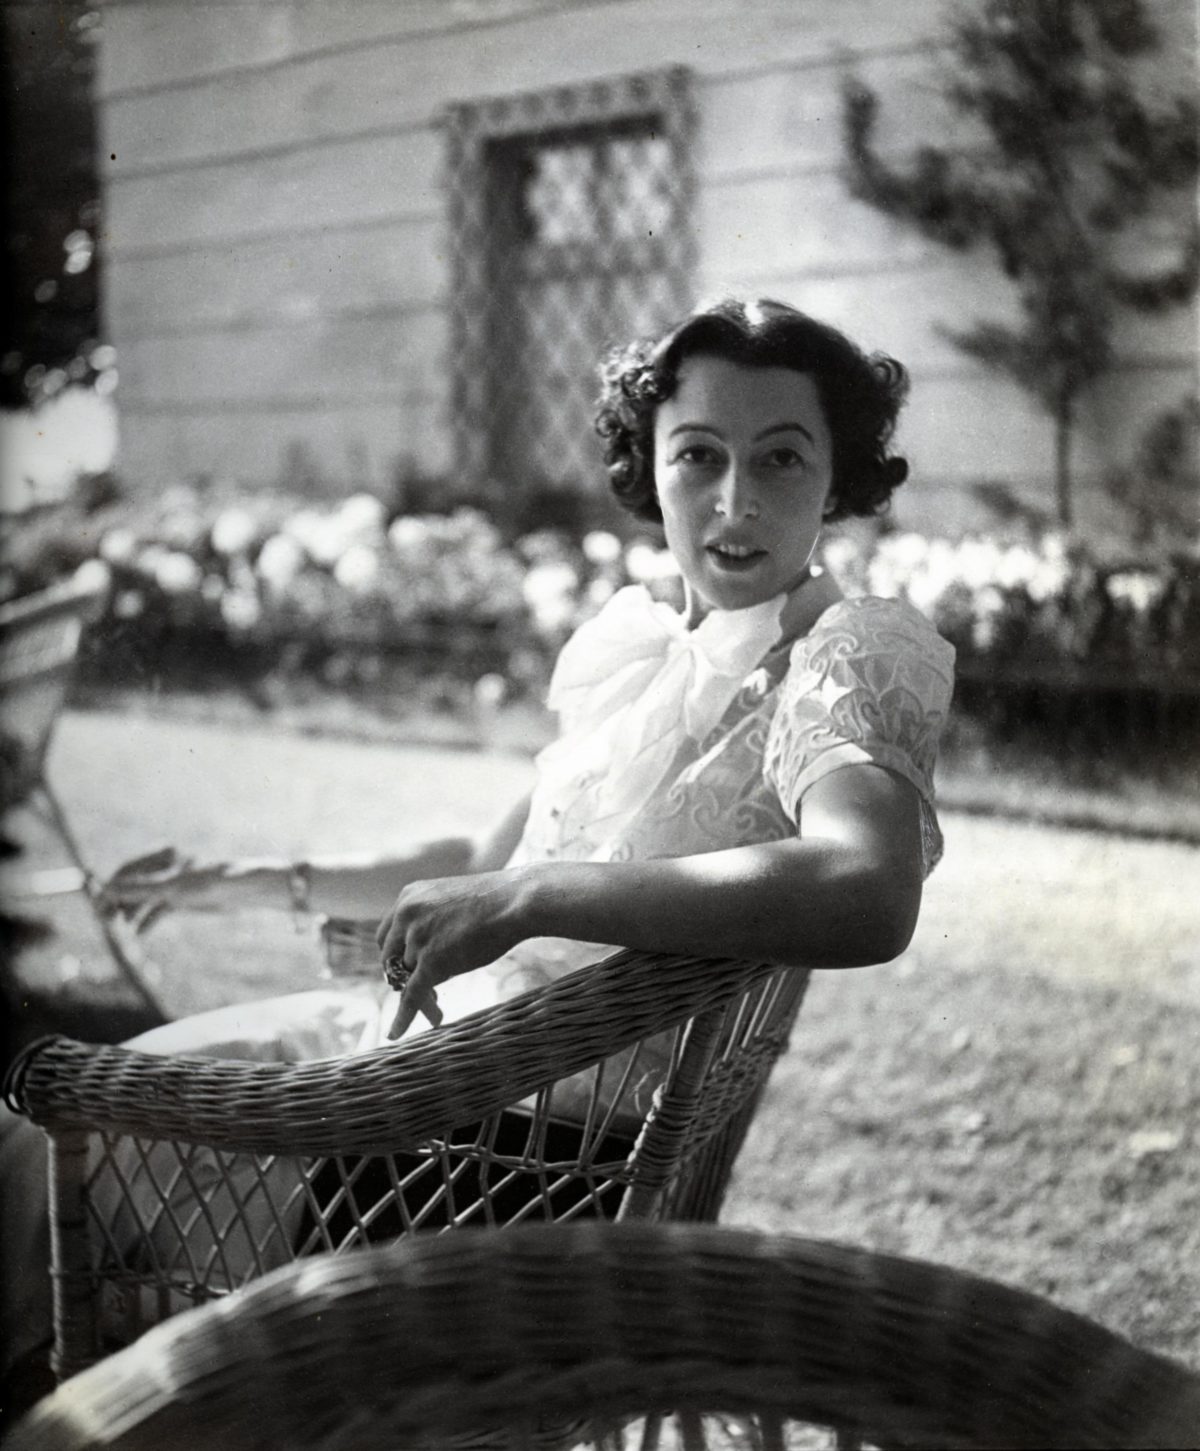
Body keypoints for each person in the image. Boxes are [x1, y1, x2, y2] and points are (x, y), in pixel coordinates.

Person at [2, 296, 955, 1395]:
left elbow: (864, 884)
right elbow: (485, 854)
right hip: (428, 1086)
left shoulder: (842, 651)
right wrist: (253, 880)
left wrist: (533, 897)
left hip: (494, 1172)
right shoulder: (647, 647)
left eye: (782, 458)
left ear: (836, 481)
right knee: (23, 1158)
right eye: (698, 454)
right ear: (651, 465)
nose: (734, 500)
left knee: (37, 1157)